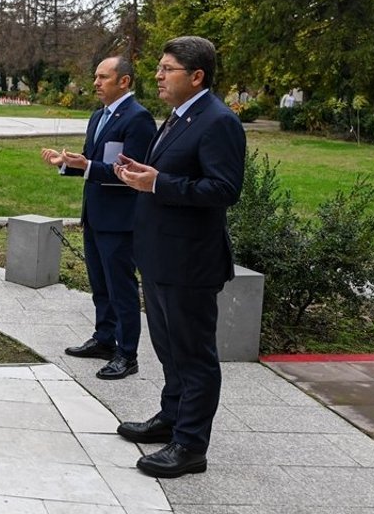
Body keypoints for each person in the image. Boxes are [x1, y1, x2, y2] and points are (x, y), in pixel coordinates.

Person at [112, 35, 246, 479]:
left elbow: (224, 189)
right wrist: (143, 175)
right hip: (160, 256)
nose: (157, 75)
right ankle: (171, 419)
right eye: (159, 67)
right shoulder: (178, 117)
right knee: (169, 349)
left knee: (194, 356)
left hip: (190, 262)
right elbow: (171, 173)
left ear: (197, 76)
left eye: (167, 69)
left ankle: (190, 445)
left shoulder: (219, 121)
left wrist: (158, 183)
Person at [41, 56, 156, 380]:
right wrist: (66, 162)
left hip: (120, 219)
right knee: (100, 284)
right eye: (95, 76)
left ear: (124, 81)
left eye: (103, 77)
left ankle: (127, 354)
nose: (95, 83)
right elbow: (91, 162)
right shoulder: (97, 116)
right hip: (94, 215)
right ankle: (104, 339)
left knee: (121, 288)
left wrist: (87, 165)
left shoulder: (138, 119)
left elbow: (131, 173)